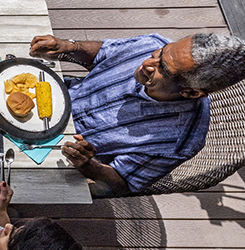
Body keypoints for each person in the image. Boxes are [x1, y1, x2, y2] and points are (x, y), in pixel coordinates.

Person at [30, 32, 245, 196]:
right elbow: (103, 52)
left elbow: (122, 184)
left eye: (163, 69)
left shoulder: (176, 143)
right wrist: (70, 46)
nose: (147, 62)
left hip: (55, 152)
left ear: (191, 92)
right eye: (161, 53)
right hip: (51, 94)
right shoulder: (152, 44)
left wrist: (87, 164)